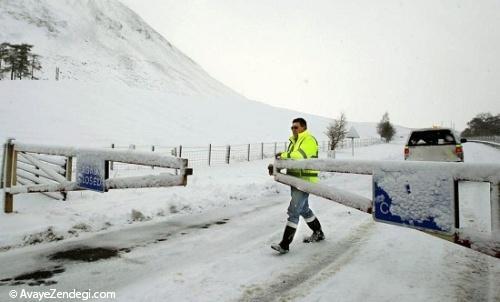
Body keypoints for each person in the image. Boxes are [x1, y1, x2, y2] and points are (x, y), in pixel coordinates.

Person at [271, 118, 325, 254]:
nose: (293, 129)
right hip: (295, 180)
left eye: (296, 127)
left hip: (305, 180)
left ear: (303, 128)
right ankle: (318, 233)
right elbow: (290, 159)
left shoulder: (309, 140)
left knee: (294, 211)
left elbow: (299, 155)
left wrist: (283, 155)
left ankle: (284, 245)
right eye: (292, 127)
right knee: (304, 210)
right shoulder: (294, 142)